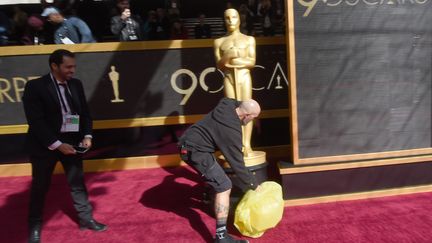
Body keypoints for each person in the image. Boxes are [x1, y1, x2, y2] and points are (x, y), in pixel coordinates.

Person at [22, 49, 107, 243]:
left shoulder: (76, 85)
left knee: (77, 184)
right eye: (68, 67)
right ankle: (34, 227)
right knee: (40, 187)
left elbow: (84, 112)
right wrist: (58, 145)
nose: (72, 70)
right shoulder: (35, 86)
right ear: (54, 66)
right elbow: (36, 122)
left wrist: (87, 135)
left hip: (72, 141)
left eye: (74, 66)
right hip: (45, 145)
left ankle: (86, 220)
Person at [178, 98, 261, 243]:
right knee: (224, 186)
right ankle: (221, 237)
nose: (253, 121)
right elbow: (238, 165)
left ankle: (207, 196)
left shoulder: (227, 105)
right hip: (195, 151)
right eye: (254, 118)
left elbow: (233, 100)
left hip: (189, 141)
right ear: (246, 116)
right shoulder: (231, 131)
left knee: (215, 175)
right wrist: (254, 184)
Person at [214, 8, 256, 157]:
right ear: (224, 20)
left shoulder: (249, 39)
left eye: (234, 17)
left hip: (244, 76)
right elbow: (219, 64)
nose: (231, 21)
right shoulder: (219, 41)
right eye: (227, 18)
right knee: (232, 112)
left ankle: (247, 144)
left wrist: (237, 59)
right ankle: (236, 145)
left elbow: (252, 61)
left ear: (240, 19)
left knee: (248, 110)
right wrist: (229, 56)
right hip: (229, 77)